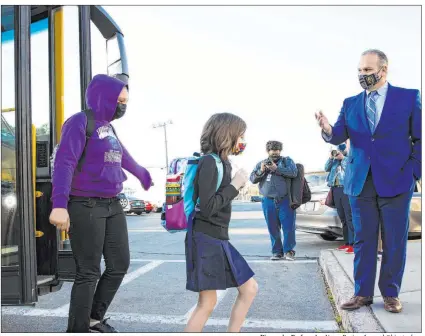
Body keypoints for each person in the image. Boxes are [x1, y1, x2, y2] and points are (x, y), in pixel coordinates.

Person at [315, 49, 421, 313]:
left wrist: (414, 173)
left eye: (367, 70)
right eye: (360, 70)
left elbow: (420, 139)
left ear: (383, 70)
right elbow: (339, 133)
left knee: (394, 240)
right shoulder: (350, 103)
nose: (362, 75)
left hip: (396, 181)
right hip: (359, 182)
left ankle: (390, 294)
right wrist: (328, 130)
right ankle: (362, 294)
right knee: (363, 239)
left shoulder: (408, 97)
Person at [49, 74, 153, 332]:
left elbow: (121, 154)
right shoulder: (79, 122)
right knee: (88, 272)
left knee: (119, 264)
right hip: (85, 205)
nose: (123, 106)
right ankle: (77, 329)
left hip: (112, 204)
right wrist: (59, 204)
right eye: (119, 100)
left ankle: (94, 317)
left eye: (126, 101)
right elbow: (65, 163)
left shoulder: (109, 127)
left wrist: (140, 171)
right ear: (103, 97)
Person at [184, 112, 258, 333]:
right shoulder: (208, 162)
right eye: (241, 135)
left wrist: (234, 185)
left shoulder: (223, 162)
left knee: (250, 289)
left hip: (218, 238)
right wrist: (235, 186)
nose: (242, 141)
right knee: (207, 303)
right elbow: (207, 208)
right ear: (228, 135)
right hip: (205, 238)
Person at [250, 141, 298, 261]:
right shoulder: (261, 163)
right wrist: (261, 171)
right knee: (272, 227)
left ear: (280, 150)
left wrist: (277, 169)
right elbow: (252, 179)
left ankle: (289, 251)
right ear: (268, 151)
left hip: (285, 200)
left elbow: (294, 173)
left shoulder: (287, 161)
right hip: (267, 200)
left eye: (277, 150)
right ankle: (277, 252)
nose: (275, 152)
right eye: (272, 150)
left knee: (288, 227)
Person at [325, 142, 355, 254]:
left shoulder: (348, 159)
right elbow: (326, 168)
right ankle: (347, 242)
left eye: (340, 151)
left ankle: (354, 243)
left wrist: (343, 158)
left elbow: (350, 169)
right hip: (336, 189)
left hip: (346, 189)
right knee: (342, 218)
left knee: (349, 217)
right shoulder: (334, 162)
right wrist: (330, 158)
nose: (338, 153)